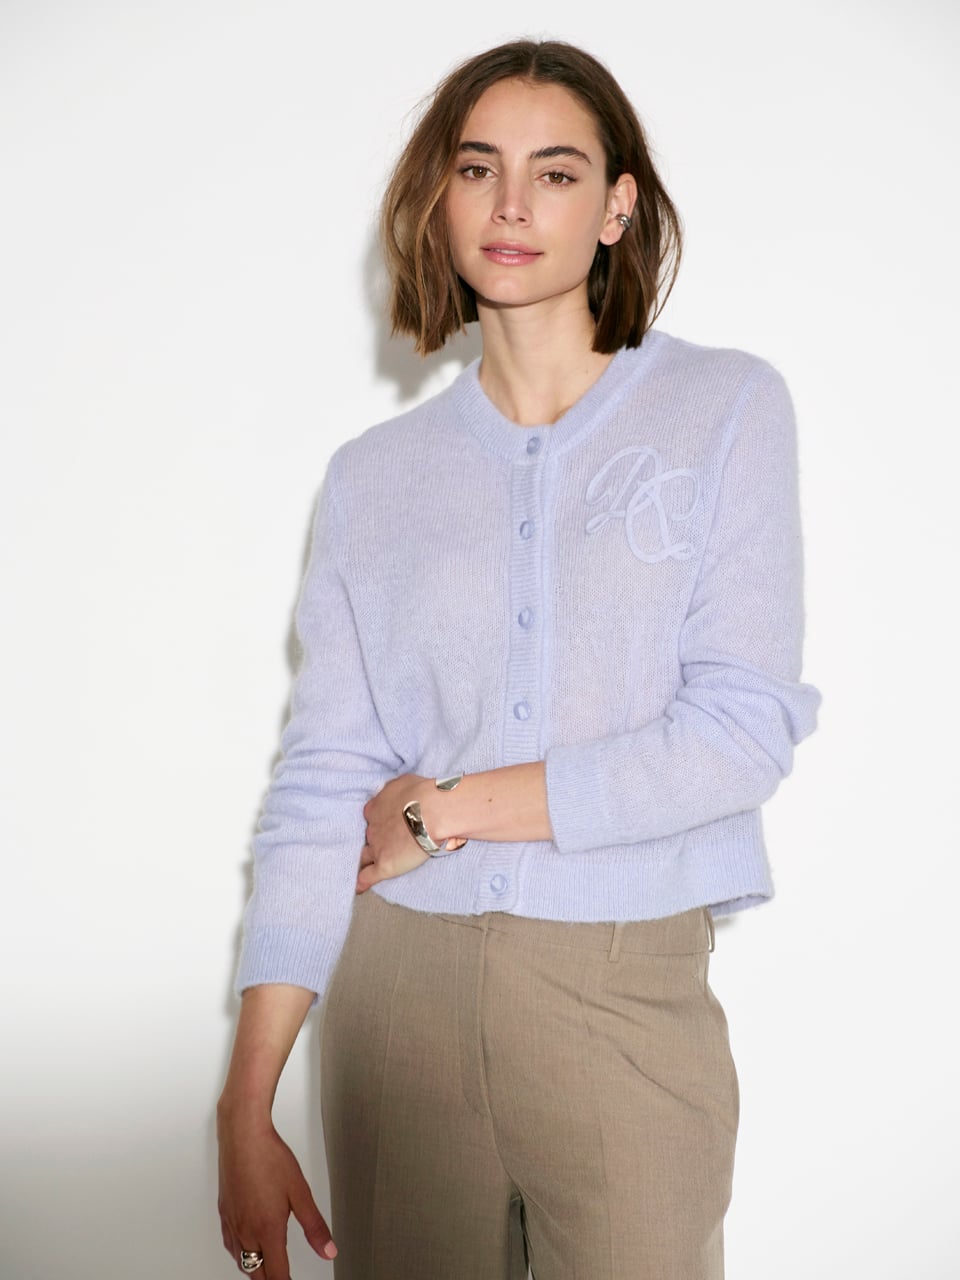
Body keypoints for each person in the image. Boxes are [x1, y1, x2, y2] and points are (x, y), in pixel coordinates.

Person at [216, 38, 822, 1280]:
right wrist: (247, 1096)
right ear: (438, 199)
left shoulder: (726, 409)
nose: (509, 204)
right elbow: (324, 782)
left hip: (625, 990)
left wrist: (446, 809)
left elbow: (739, 731)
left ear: (616, 207)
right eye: (477, 167)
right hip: (400, 1001)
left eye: (555, 173)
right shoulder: (373, 478)